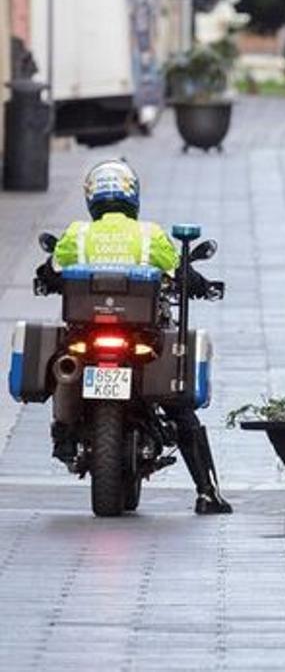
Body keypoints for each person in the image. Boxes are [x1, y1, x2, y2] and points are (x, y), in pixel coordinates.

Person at [39, 159, 232, 515]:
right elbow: (178, 268)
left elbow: (50, 270)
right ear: (132, 197)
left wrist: (46, 279)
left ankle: (64, 434)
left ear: (92, 199)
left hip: (86, 339)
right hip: (142, 338)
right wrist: (202, 286)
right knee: (179, 407)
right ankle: (207, 492)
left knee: (61, 363)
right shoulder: (149, 235)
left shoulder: (78, 234)